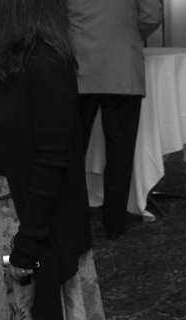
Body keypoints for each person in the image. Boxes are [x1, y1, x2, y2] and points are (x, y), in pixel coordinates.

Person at [0, 0, 104, 319]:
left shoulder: (49, 64)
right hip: (12, 217)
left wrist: (26, 246)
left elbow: (50, 164)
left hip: (32, 223)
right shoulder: (22, 60)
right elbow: (19, 130)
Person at [65, 0, 163, 240]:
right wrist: (125, 31)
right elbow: (152, 14)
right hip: (123, 65)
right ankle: (114, 225)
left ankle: (68, 220)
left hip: (79, 66)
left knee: (70, 152)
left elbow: (54, 15)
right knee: (120, 152)